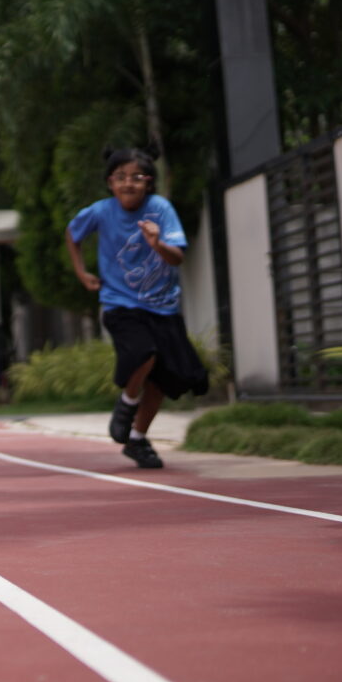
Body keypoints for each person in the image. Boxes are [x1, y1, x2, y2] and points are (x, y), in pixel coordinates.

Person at [64, 147, 209, 469]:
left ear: (149, 183)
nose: (128, 184)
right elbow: (72, 234)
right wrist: (81, 273)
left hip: (163, 307)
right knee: (145, 353)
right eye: (120, 177)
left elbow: (178, 258)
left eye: (137, 178)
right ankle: (127, 403)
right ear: (110, 183)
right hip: (119, 302)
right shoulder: (101, 212)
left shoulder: (160, 209)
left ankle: (138, 439)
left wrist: (157, 244)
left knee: (164, 378)